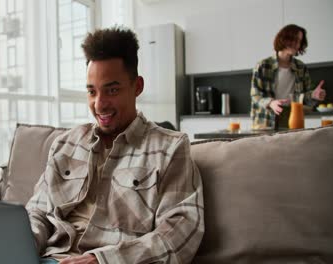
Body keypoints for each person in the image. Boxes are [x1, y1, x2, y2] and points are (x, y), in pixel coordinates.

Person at [25, 27, 204, 264]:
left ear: (137, 86)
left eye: (112, 90)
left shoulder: (170, 148)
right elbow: (37, 212)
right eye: (92, 91)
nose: (99, 105)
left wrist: (101, 260)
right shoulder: (65, 144)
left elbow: (179, 233)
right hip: (50, 258)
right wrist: (21, 245)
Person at [250, 24, 326, 129]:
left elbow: (304, 98)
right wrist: (271, 103)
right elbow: (255, 95)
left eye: (299, 41)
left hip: (292, 116)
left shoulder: (301, 67)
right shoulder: (263, 65)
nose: (297, 44)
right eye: (294, 40)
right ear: (283, 39)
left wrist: (313, 95)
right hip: (266, 120)